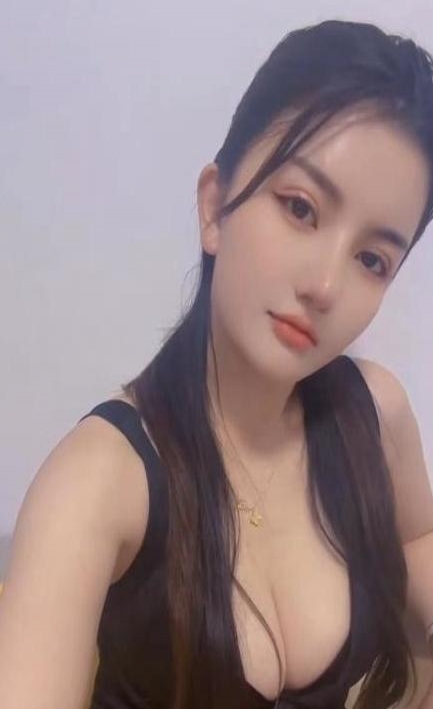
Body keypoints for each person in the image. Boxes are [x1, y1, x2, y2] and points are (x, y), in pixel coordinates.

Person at [1, 17, 433, 709]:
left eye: (371, 259)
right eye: (300, 208)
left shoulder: (373, 413)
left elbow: (416, 541)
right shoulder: (97, 483)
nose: (325, 284)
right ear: (214, 206)